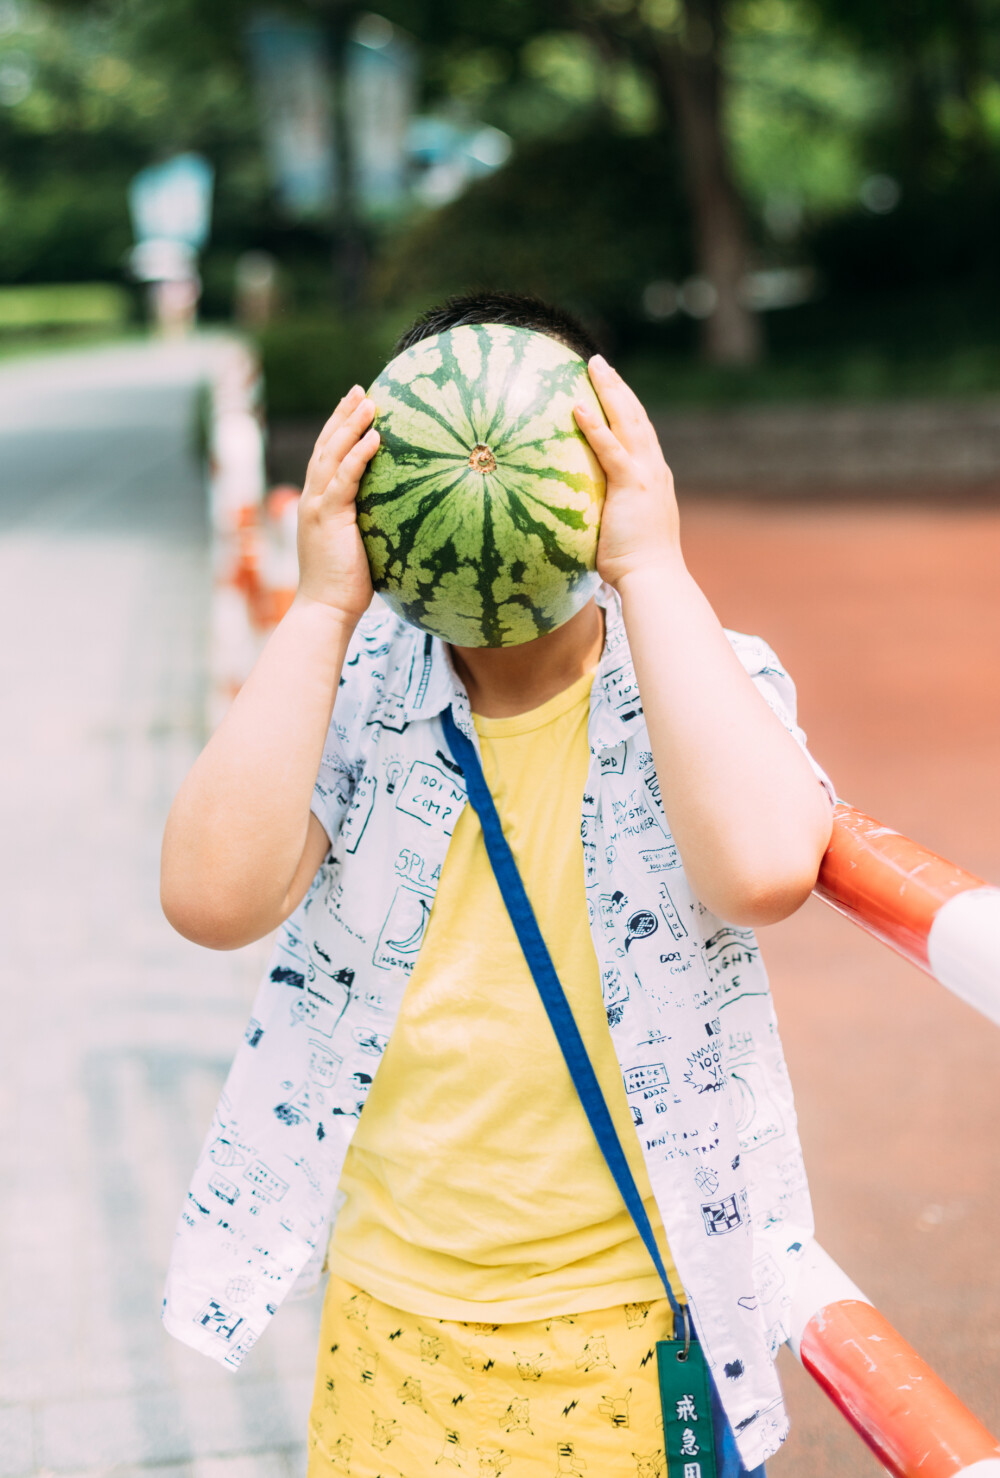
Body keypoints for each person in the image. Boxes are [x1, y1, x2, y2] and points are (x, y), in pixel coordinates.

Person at [160, 291, 835, 1477]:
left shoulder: (696, 682)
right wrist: (323, 605)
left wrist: (653, 563)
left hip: (638, 1322)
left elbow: (767, 869)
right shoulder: (359, 696)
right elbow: (211, 898)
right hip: (393, 1324)